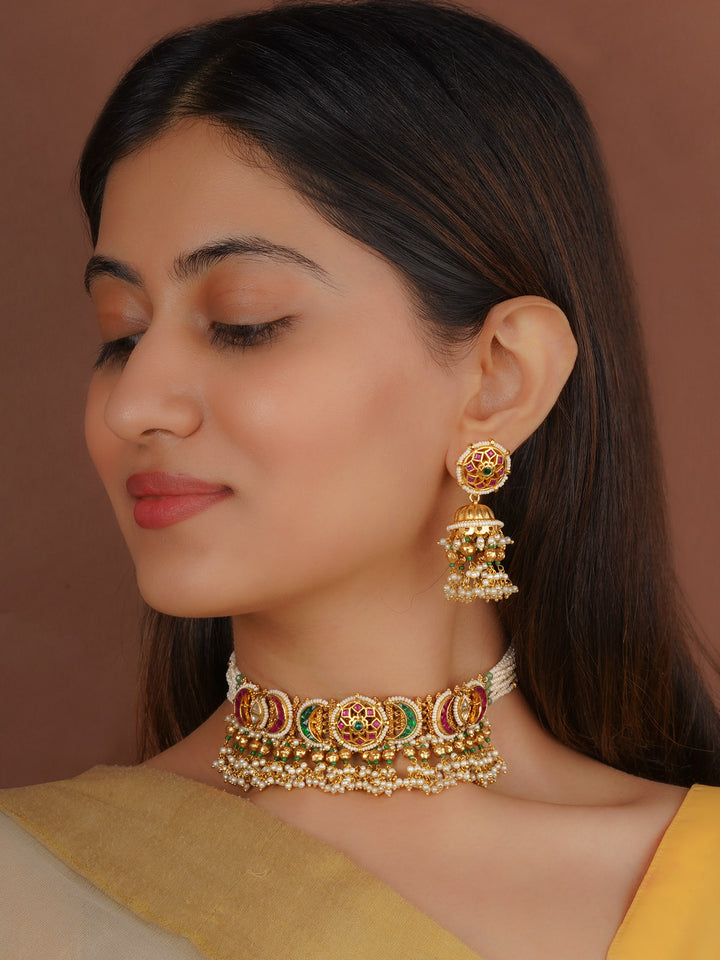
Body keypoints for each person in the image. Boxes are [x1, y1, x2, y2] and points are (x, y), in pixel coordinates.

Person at [1, 1, 719, 957]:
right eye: (121, 333)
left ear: (500, 378)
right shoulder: (27, 886)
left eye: (244, 322)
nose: (134, 404)